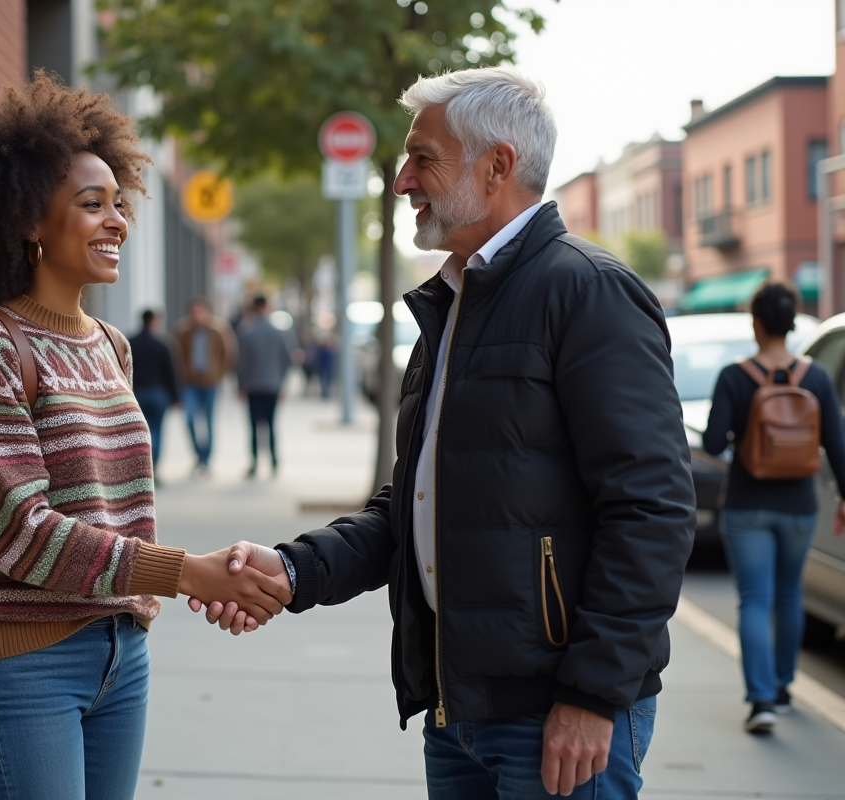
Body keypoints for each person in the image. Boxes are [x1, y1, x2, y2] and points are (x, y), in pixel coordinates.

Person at [192, 67, 695, 800]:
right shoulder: (455, 302)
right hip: (457, 711)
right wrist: (292, 570)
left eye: (423, 157)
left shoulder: (586, 291)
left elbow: (652, 509)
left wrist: (593, 693)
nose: (401, 180)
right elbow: (421, 501)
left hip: (555, 717)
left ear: (498, 166)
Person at [0, 73, 290, 800]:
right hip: (19, 663)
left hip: (121, 653)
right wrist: (186, 573)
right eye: (92, 205)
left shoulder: (110, 345)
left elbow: (116, 512)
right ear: (28, 221)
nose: (117, 221)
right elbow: (20, 534)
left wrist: (177, 584)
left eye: (119, 203)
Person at [703, 282, 845, 734]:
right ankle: (784, 688)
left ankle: (760, 699)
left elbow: (711, 441)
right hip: (801, 505)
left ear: (756, 323)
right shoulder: (817, 378)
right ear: (789, 323)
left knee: (753, 600)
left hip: (747, 504)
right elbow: (837, 446)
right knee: (789, 598)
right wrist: (844, 498)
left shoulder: (734, 376)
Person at [174, 297, 236, 475]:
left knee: (209, 421)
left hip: (211, 383)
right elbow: (177, 355)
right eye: (193, 312)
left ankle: (206, 460)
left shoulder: (218, 329)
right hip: (190, 383)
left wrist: (220, 375)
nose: (197, 316)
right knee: (190, 418)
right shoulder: (183, 330)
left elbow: (228, 353)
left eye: (199, 312)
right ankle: (198, 454)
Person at [235, 295, 292, 478]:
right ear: (267, 308)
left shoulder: (247, 333)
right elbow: (287, 359)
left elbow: (241, 363)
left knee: (253, 427)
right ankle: (274, 461)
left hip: (253, 386)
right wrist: (282, 382)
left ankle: (254, 462)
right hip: (273, 386)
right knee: (271, 425)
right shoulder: (279, 332)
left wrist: (241, 385)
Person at [129, 308, 180, 474]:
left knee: (139, 432)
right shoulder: (163, 344)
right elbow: (171, 372)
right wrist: (176, 397)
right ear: (154, 322)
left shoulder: (131, 342)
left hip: (137, 393)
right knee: (157, 430)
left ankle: (141, 468)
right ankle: (153, 467)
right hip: (159, 393)